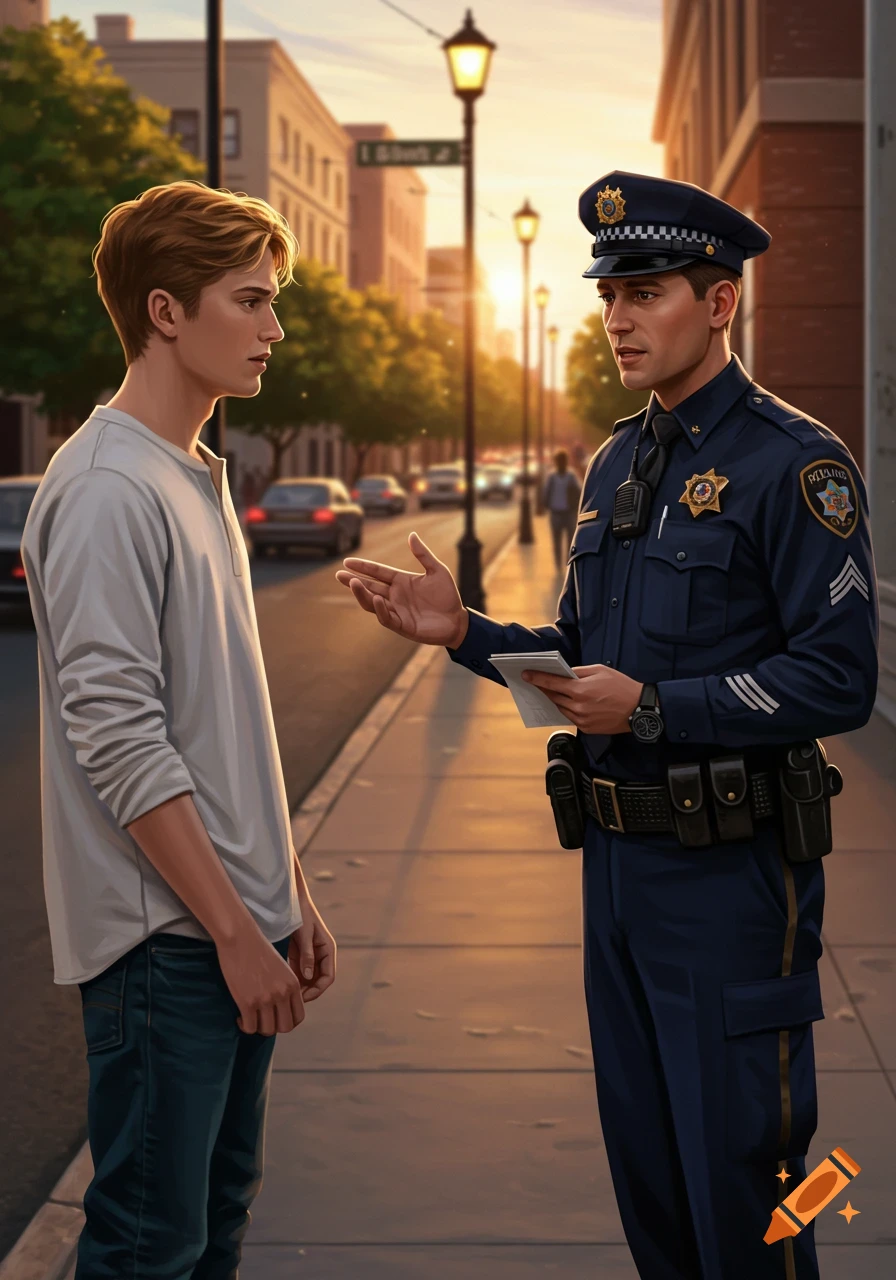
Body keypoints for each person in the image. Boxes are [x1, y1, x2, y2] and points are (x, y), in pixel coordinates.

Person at [334, 171, 879, 1280]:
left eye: (645, 291)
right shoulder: (617, 461)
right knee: (654, 1187)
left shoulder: (794, 463)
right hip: (617, 876)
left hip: (733, 880)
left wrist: (658, 707)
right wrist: (466, 632)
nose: (617, 319)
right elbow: (581, 664)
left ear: (718, 302)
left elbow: (839, 679)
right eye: (608, 296)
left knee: (751, 1189)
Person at [22, 181, 336, 1278]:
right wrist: (236, 933)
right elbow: (120, 739)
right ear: (164, 311)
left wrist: (286, 891)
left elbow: (221, 728)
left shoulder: (190, 473)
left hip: (230, 925)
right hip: (169, 947)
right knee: (149, 1245)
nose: (274, 328)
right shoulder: (109, 487)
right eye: (250, 300)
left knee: (213, 1221)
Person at [542, 448, 582, 570]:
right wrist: (545, 505)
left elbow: (579, 491)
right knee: (557, 541)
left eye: (563, 460)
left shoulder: (571, 475)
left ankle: (568, 563)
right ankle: (558, 564)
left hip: (569, 512)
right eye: (559, 461)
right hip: (556, 513)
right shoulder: (552, 476)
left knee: (571, 541)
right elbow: (546, 493)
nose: (561, 463)